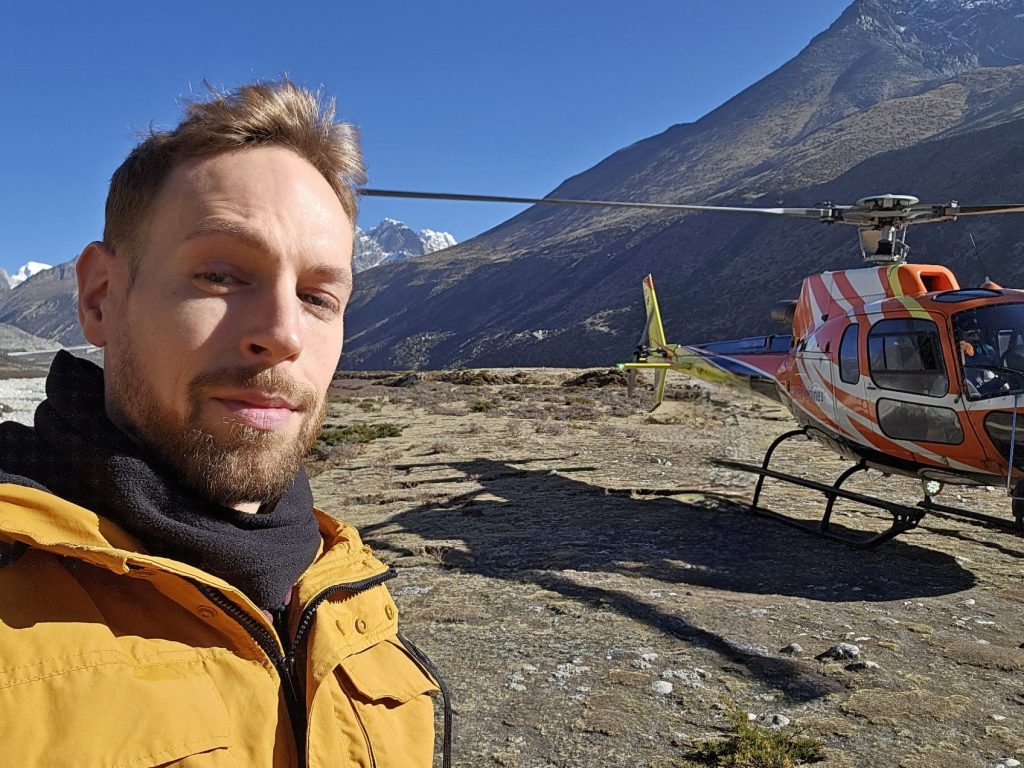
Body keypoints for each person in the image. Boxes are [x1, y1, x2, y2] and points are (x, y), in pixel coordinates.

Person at [0, 81, 444, 767]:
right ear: (99, 297)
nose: (282, 333)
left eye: (319, 296)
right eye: (221, 275)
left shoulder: (346, 600)